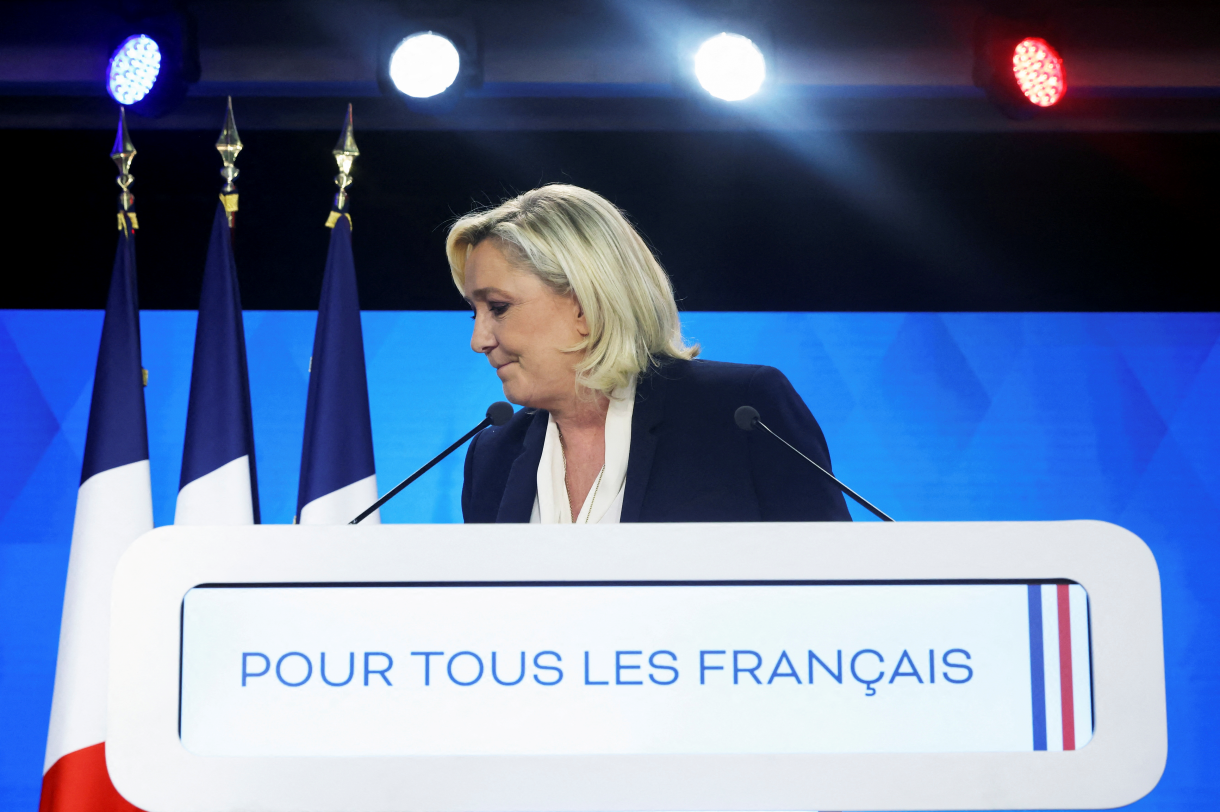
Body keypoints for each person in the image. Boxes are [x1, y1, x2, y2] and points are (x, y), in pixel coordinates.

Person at [448, 184, 850, 524]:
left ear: (585, 306)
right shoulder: (491, 455)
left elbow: (840, 585)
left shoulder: (742, 413)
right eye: (474, 313)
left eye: (498, 308)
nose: (478, 340)